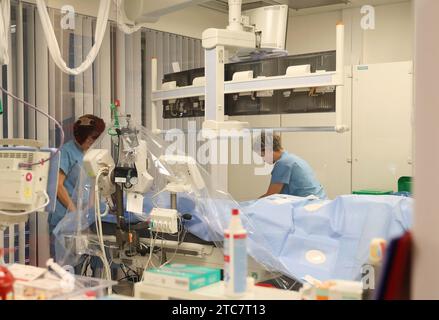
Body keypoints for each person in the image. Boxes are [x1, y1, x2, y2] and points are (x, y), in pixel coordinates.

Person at [48, 115, 106, 254]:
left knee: (84, 262)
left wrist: (90, 211)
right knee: (65, 267)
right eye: (91, 138)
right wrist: (75, 213)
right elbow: (58, 186)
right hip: (65, 219)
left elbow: (93, 181)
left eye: (95, 138)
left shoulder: (91, 154)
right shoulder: (66, 152)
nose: (92, 142)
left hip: (83, 218)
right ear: (81, 136)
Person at [255, 133, 327, 199]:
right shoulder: (291, 158)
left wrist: (252, 204)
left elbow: (270, 196)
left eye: (263, 155)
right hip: (320, 201)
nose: (263, 160)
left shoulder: (283, 163)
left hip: (311, 206)